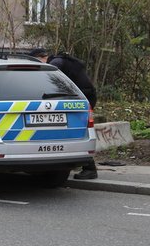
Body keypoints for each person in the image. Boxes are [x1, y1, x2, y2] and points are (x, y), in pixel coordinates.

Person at [29, 47, 99, 180]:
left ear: (41, 58)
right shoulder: (61, 60)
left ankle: (89, 168)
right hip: (83, 96)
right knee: (75, 131)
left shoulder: (54, 64)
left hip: (81, 98)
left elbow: (47, 82)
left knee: (78, 132)